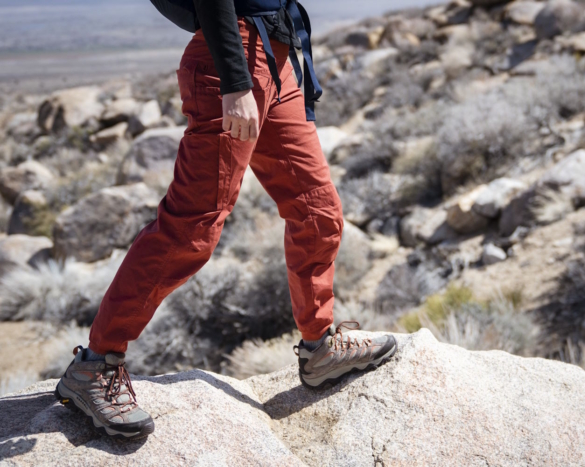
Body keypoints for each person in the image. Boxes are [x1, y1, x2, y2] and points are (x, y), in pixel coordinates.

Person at [54, 0, 397, 440]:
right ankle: (95, 365)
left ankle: (320, 346)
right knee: (191, 228)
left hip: (278, 59)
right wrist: (236, 82)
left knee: (318, 210)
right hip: (231, 61)